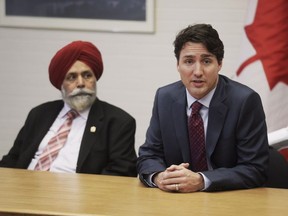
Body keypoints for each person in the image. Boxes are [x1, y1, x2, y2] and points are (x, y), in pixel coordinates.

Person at [137, 24, 269, 192]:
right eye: (189, 61)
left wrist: (201, 180)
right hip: (176, 200)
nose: (197, 71)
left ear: (219, 64)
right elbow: (149, 154)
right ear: (178, 65)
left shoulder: (244, 101)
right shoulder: (165, 97)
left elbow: (255, 169)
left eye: (206, 61)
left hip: (228, 199)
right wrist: (159, 176)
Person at [0, 40, 137, 177]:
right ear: (61, 84)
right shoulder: (39, 114)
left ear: (95, 79)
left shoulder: (118, 122)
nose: (81, 83)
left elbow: (121, 172)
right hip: (25, 189)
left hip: (77, 195)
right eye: (72, 77)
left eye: (87, 75)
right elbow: (13, 159)